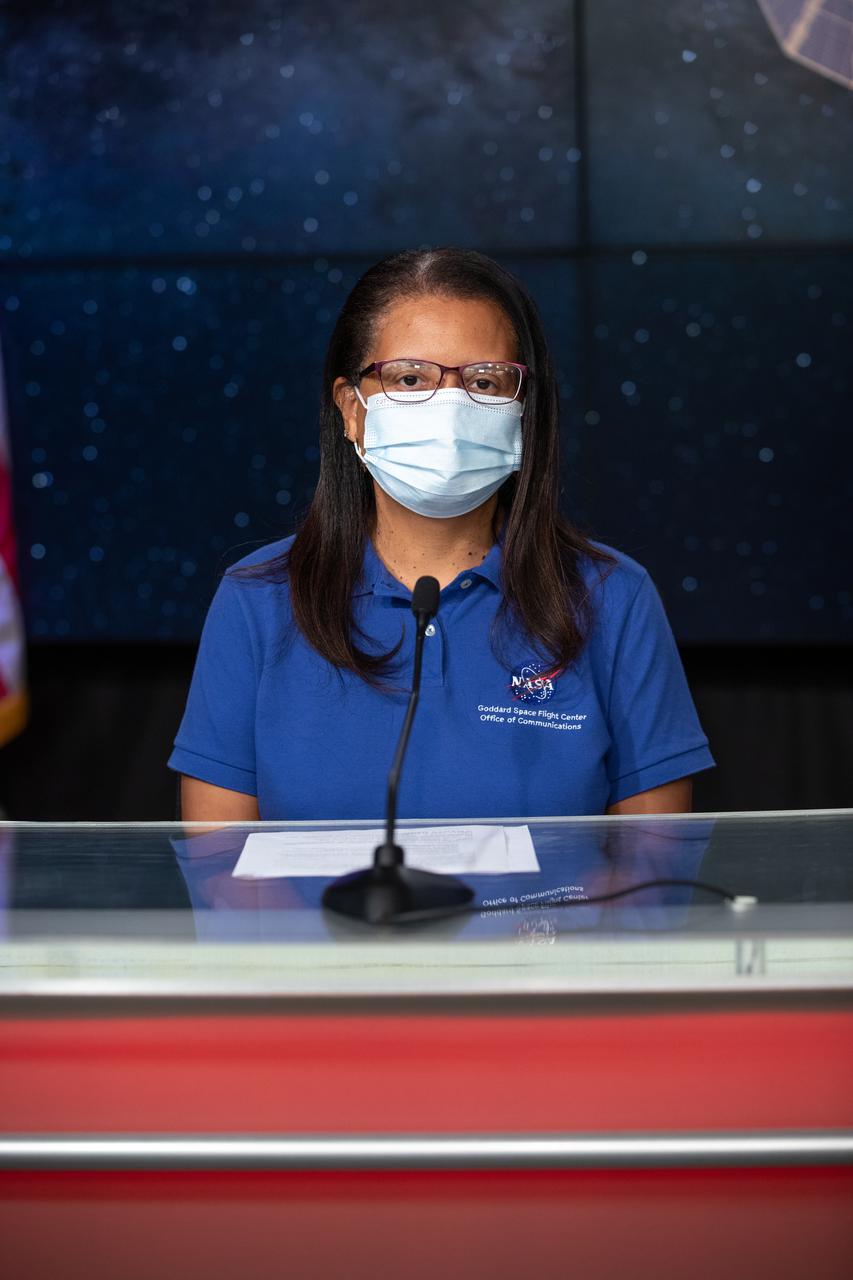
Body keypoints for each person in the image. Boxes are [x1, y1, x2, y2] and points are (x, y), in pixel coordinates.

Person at [168, 247, 715, 823]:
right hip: (324, 919)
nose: (451, 407)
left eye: (485, 380)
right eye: (409, 377)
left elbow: (654, 869)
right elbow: (221, 868)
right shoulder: (256, 600)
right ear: (351, 409)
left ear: (523, 410)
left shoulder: (612, 598)